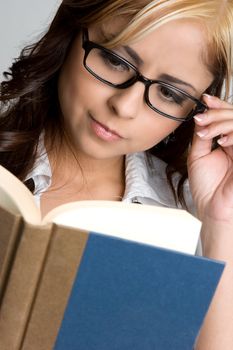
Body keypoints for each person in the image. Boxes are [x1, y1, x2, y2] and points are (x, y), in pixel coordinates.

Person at [0, 0, 233, 348]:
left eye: (169, 93)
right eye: (115, 61)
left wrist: (221, 223)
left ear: (198, 109)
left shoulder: (192, 218)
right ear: (71, 32)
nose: (124, 107)